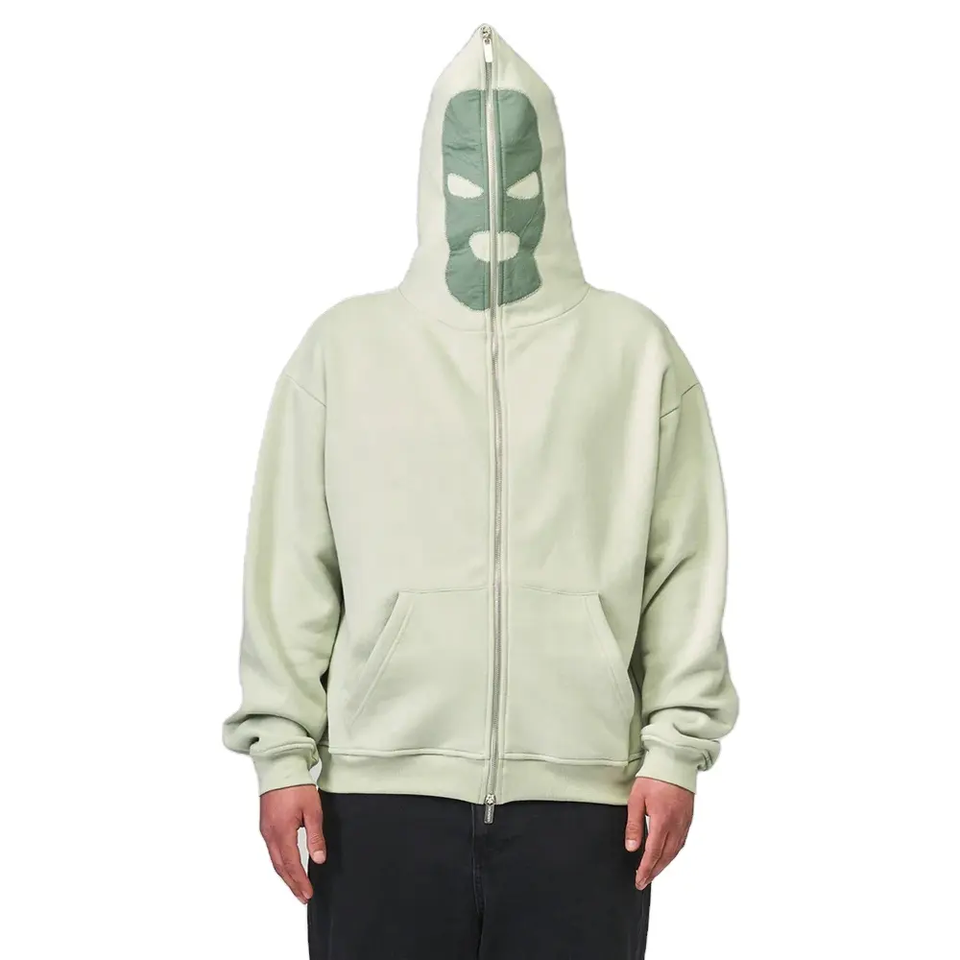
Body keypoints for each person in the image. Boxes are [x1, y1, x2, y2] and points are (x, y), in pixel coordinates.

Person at [222, 22, 739, 960]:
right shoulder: (344, 350)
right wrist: (281, 755)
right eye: (465, 168)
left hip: (588, 802)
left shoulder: (635, 354)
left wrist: (674, 750)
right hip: (374, 799)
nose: (495, 194)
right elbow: (292, 564)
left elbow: (684, 568)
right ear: (432, 172)